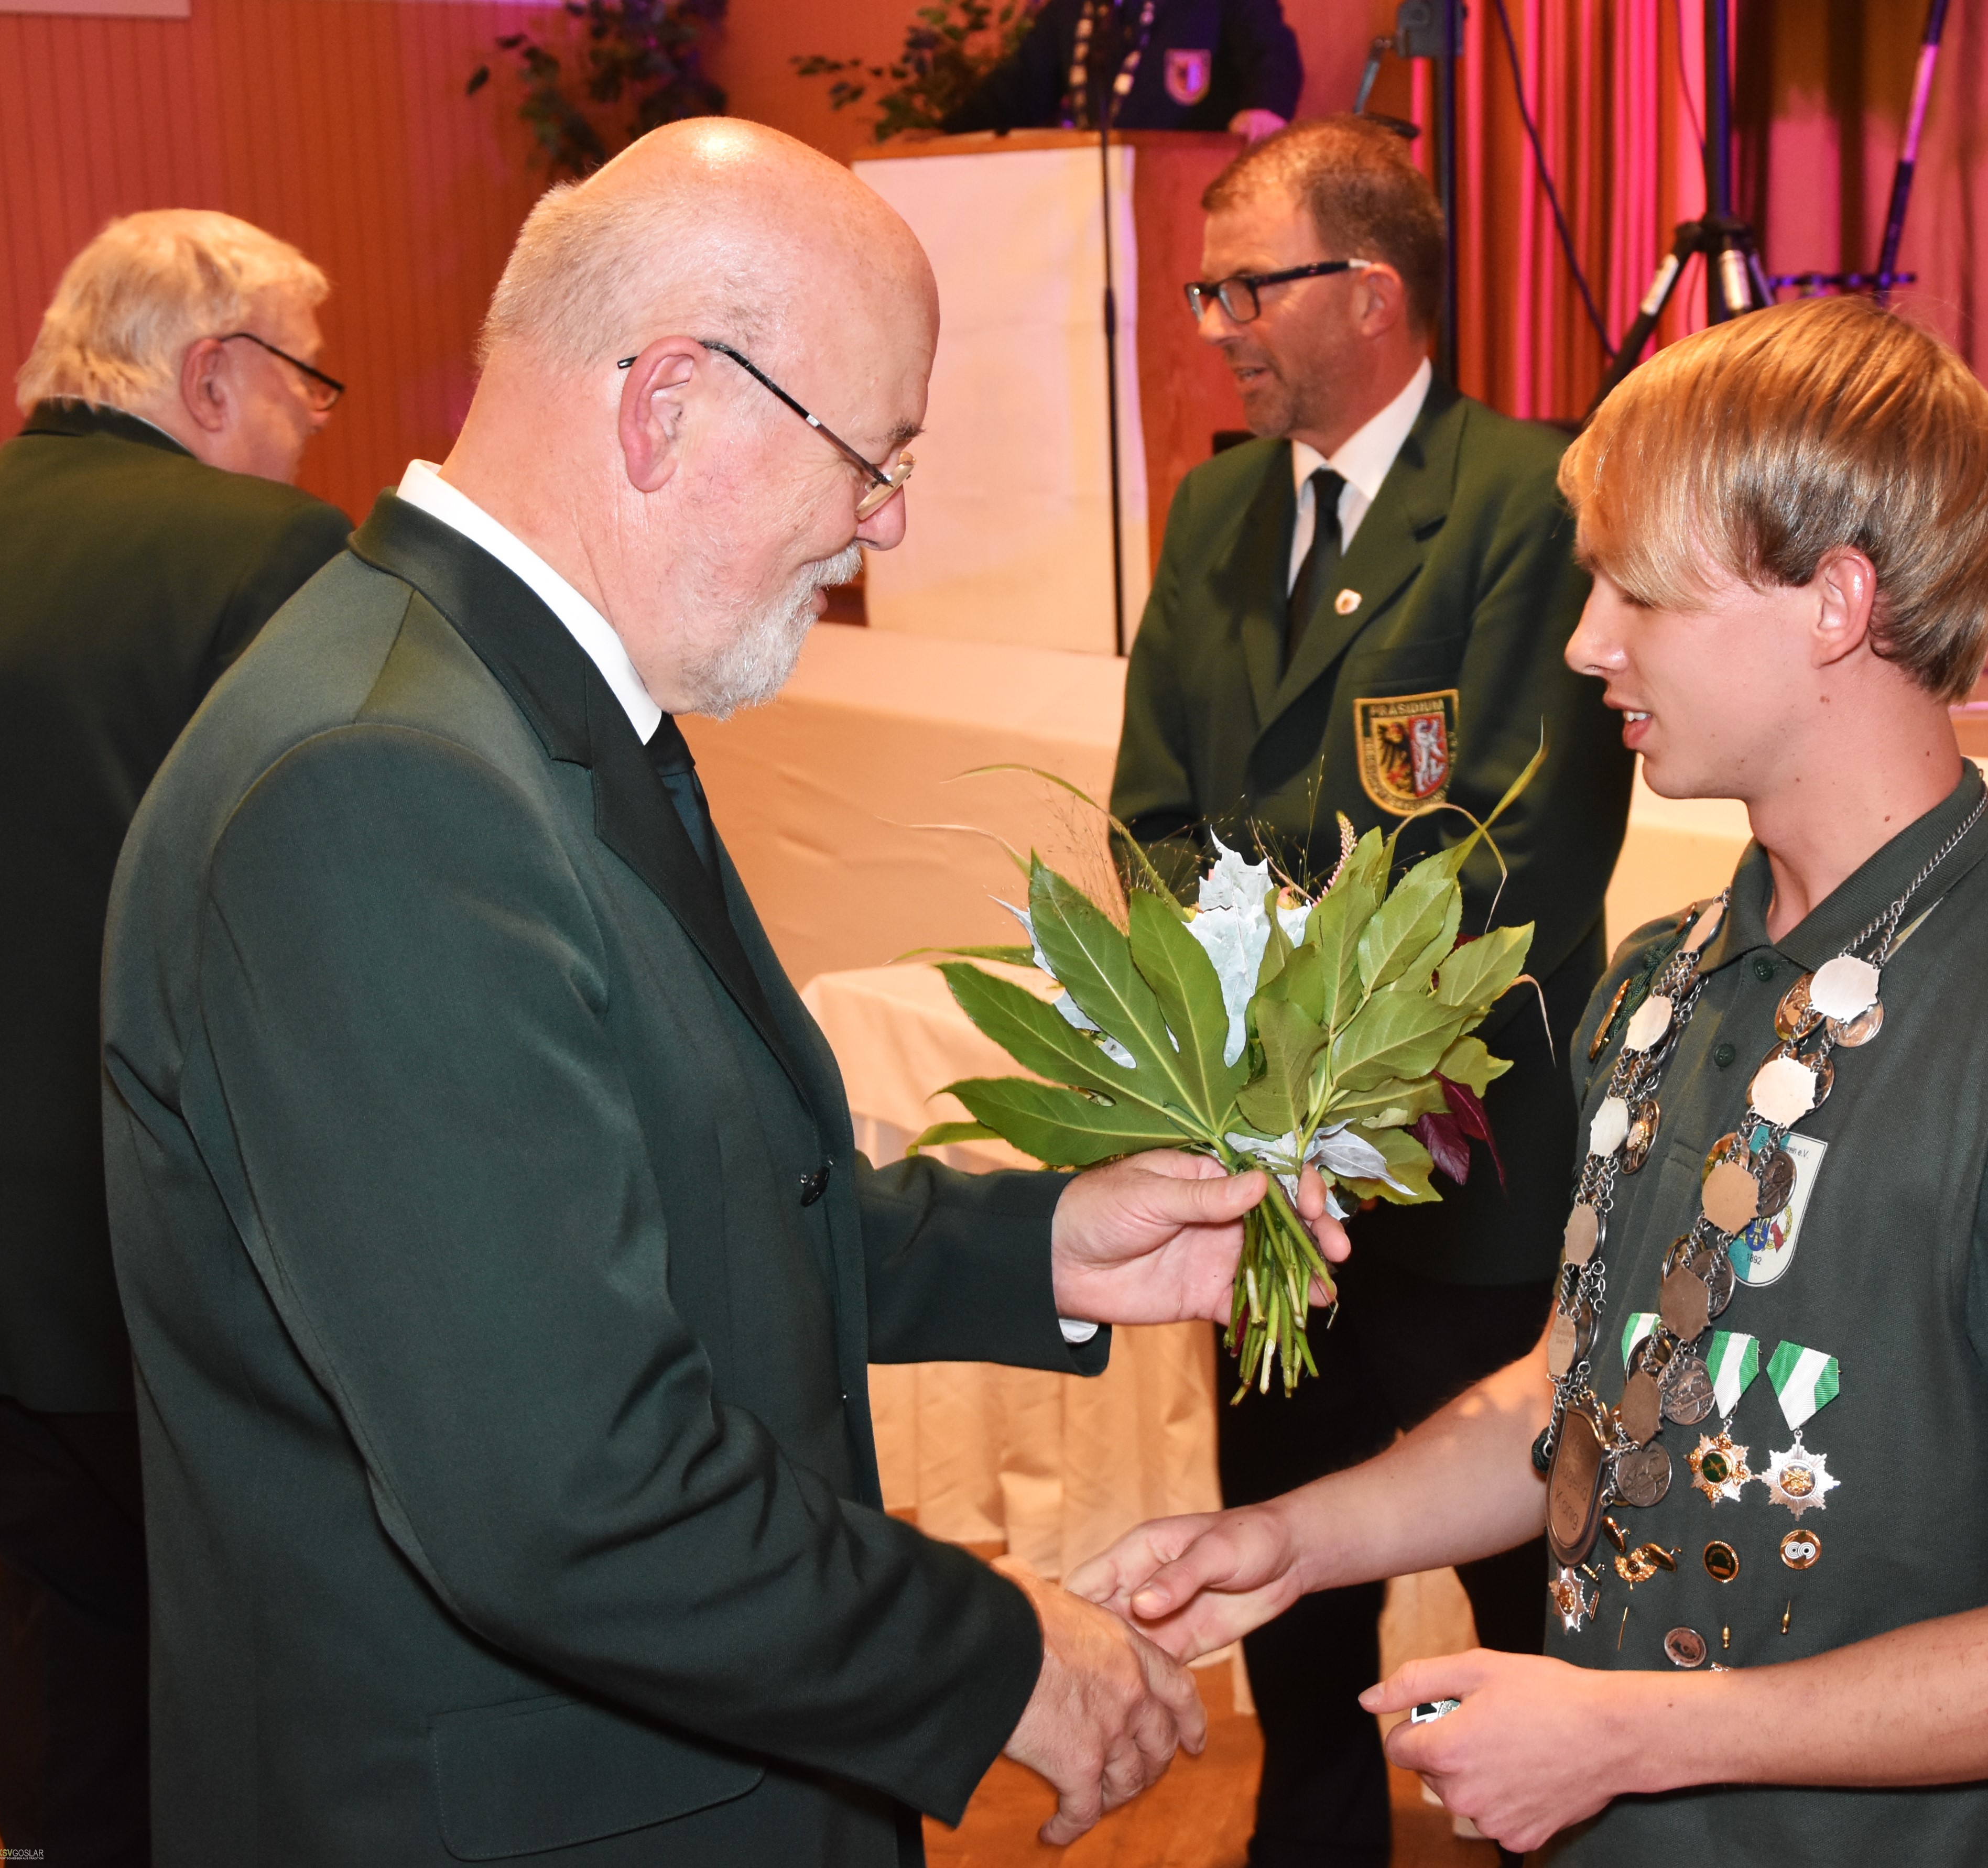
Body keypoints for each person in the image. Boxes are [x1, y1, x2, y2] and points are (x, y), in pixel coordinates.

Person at [99, 120, 1344, 1868]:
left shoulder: (504, 707)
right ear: (666, 403)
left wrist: (1040, 1243)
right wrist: (996, 1657)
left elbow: (668, 1198)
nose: (886, 518)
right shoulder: (381, 781)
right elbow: (565, 1487)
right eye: (870, 454)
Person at [1075, 295, 1988, 1865]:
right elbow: (1575, 1393)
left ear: (1832, 601)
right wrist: (1291, 1539)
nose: (1585, 641)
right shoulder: (1656, 980)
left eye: (1640, 587)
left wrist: (1630, 1733)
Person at [1106, 114, 1633, 1866]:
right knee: (1289, 1562)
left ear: (1374, 292)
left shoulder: (1528, 499)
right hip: (1269, 1175)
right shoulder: (1212, 508)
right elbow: (1152, 814)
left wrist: (1308, 1037)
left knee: (1520, 1583)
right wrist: (1242, 1066)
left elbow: (1522, 852)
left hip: (1465, 1166)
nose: (1217, 325)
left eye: (1246, 286)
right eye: (1208, 291)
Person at [0, 207, 349, 1868]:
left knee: (68, 1647)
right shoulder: (266, 554)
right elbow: (321, 921)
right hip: (164, 1268)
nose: (310, 426)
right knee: (265, 1703)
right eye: (306, 385)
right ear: (212, 376)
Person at [941, 0, 1300, 140]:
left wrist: (1264, 108)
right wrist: (942, 135)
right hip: (1088, 197)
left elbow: (1273, 56)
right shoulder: (1074, 10)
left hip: (1188, 187)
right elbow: (1019, 88)